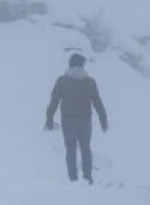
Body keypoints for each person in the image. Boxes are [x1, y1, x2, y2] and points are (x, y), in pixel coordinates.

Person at [45, 53, 108, 184]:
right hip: (85, 119)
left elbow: (54, 101)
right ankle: (87, 176)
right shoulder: (90, 82)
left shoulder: (62, 80)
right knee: (86, 148)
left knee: (70, 148)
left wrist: (49, 119)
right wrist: (103, 120)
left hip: (68, 120)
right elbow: (98, 102)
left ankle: (73, 178)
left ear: (70, 64)